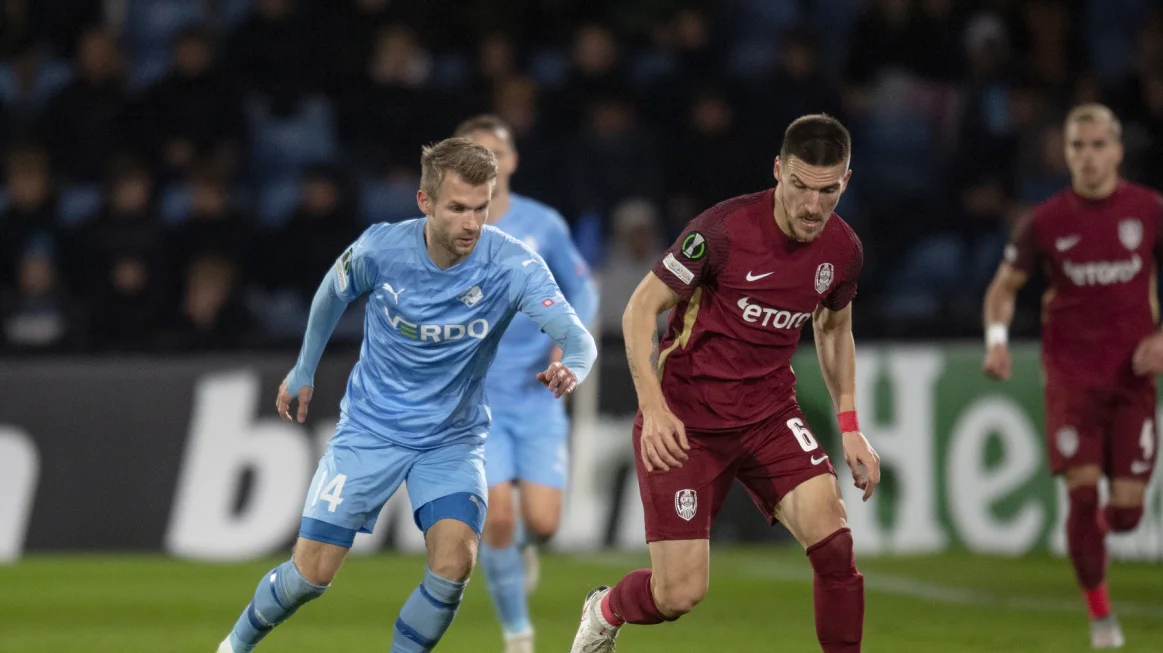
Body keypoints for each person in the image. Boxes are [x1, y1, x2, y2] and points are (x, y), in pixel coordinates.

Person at [215, 138, 598, 653]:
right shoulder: (381, 249)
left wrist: (571, 367)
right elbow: (333, 290)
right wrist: (303, 367)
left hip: (451, 441)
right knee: (311, 575)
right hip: (371, 430)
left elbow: (578, 339)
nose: (471, 223)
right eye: (457, 208)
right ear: (425, 203)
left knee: (454, 562)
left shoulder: (512, 265)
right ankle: (234, 646)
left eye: (481, 208)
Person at [570, 114, 881, 653]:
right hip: (686, 423)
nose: (812, 205)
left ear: (845, 182)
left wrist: (851, 426)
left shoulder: (842, 250)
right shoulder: (722, 231)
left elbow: (833, 329)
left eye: (827, 191)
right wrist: (654, 406)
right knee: (679, 594)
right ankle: (605, 609)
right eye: (801, 186)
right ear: (779, 171)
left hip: (769, 416)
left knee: (835, 548)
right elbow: (640, 310)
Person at [981, 104, 1163, 650]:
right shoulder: (1046, 220)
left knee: (1124, 514)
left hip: (1132, 382)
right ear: (1066, 152)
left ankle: (1090, 540)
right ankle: (1102, 619)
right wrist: (998, 342)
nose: (1088, 156)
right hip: (1072, 382)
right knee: (1081, 499)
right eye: (1078, 146)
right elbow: (1002, 289)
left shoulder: (1152, 211)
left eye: (1099, 145)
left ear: (1119, 151)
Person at [454, 115, 599, 653]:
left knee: (541, 521)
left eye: (495, 151)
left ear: (511, 161)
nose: (486, 159)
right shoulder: (447, 225)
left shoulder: (543, 224)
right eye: (474, 151)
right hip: (477, 400)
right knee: (497, 516)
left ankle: (525, 547)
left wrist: (569, 342)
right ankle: (519, 635)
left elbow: (582, 290)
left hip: (538, 393)